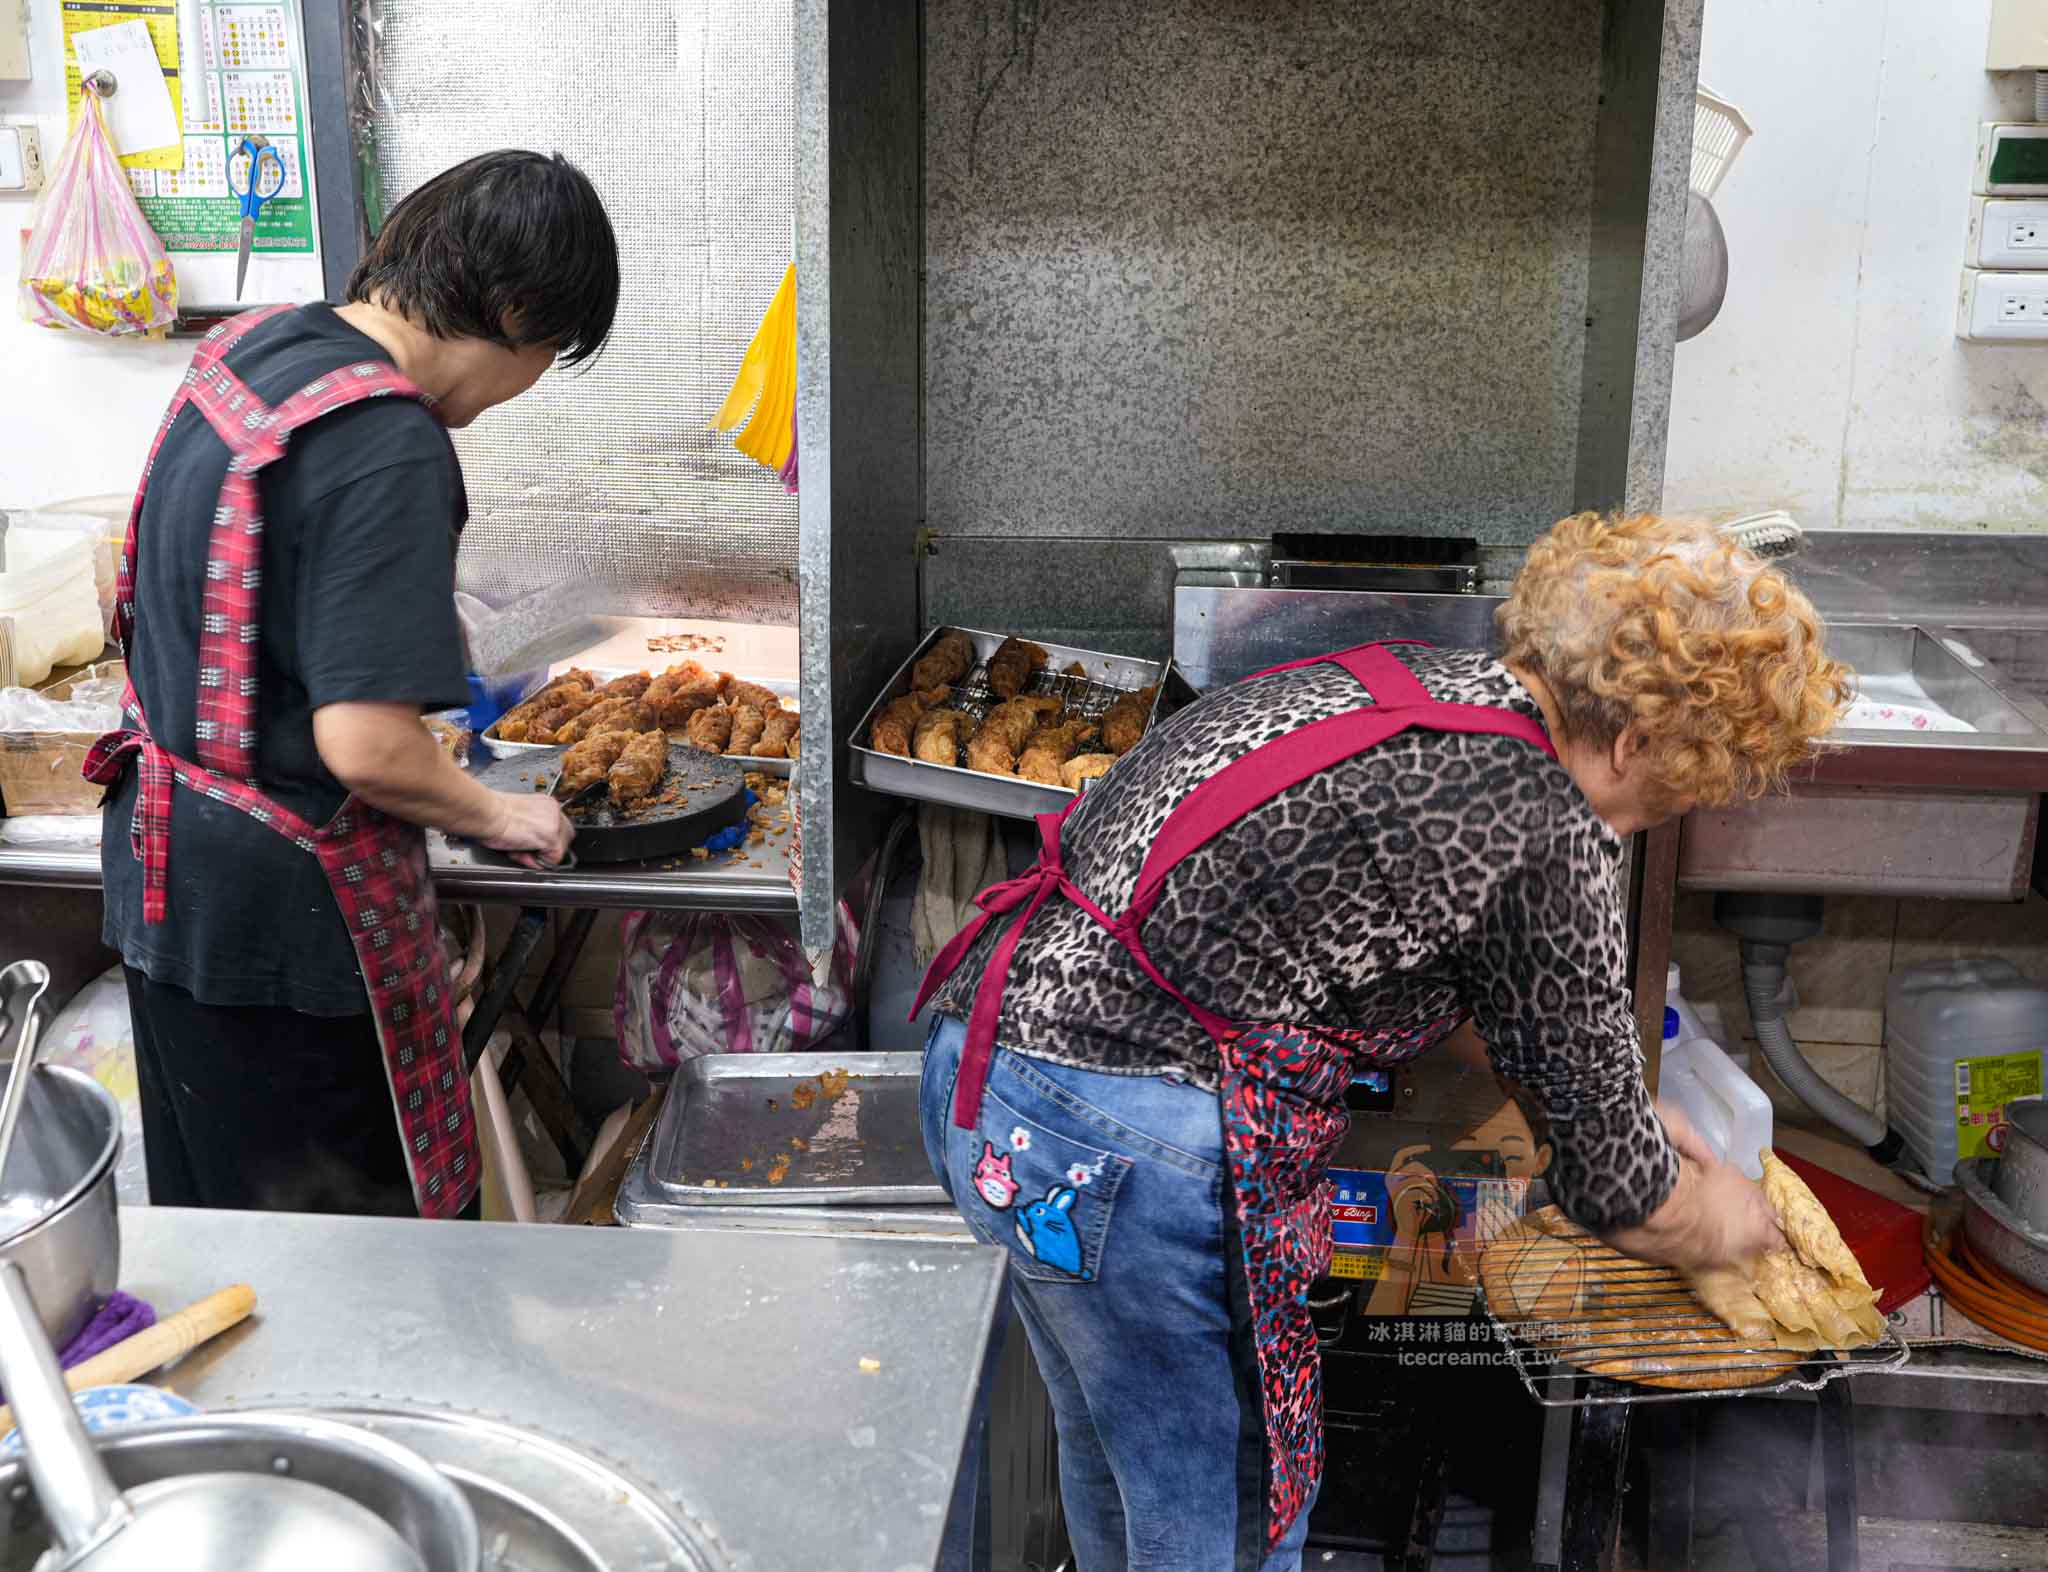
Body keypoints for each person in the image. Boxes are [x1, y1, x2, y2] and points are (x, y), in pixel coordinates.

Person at [916, 512, 1851, 1572]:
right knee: (1233, 1521)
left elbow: (1482, 998)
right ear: (1635, 743)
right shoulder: (1546, 823)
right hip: (1134, 1153)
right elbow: (1621, 1195)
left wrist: (1612, 1112)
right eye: (1674, 794)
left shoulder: (1404, 686)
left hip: (992, 1087)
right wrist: (1726, 1221)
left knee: (1124, 1463)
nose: (1652, 821)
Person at [89, 150, 619, 1220]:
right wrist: (498, 812)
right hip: (288, 924)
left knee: (232, 1235)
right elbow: (367, 747)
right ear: (516, 312)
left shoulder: (253, 351)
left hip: (168, 877)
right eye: (547, 353)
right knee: (351, 1259)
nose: (524, 387)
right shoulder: (388, 438)